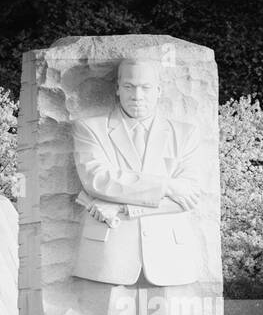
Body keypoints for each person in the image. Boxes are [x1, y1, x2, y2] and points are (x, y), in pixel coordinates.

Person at [70, 58, 208, 286]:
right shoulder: (90, 128)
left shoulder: (185, 133)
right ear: (117, 88)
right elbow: (99, 180)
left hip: (171, 254)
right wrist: (167, 186)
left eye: (145, 87)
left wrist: (121, 207)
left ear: (158, 90)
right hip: (108, 255)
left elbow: (188, 198)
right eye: (129, 86)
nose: (137, 95)